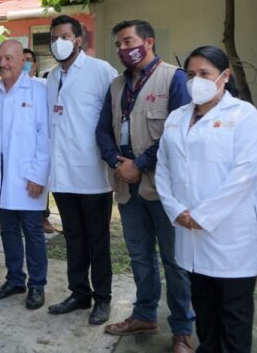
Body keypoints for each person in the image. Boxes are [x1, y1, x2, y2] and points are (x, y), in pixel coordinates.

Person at [156, 45, 257, 353]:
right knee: (204, 314)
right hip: (190, 234)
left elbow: (243, 176)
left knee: (233, 316)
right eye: (191, 75)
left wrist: (202, 216)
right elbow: (164, 168)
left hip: (231, 235)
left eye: (204, 74)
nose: (196, 80)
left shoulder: (244, 116)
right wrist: (176, 210)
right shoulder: (177, 117)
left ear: (224, 76)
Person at [96, 20, 194, 352]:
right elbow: (103, 131)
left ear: (149, 41)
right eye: (119, 44)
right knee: (139, 256)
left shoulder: (173, 79)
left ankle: (182, 330)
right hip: (126, 185)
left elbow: (177, 132)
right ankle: (144, 313)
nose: (124, 49)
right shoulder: (116, 86)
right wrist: (117, 163)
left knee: (174, 260)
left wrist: (139, 164)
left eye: (129, 41)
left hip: (163, 187)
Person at [45, 15, 118, 325]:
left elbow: (115, 119)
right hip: (61, 175)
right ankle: (79, 292)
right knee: (73, 237)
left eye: (65, 36)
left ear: (79, 39)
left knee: (97, 238)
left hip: (92, 173)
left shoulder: (101, 71)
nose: (58, 42)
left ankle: (102, 298)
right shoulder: (50, 77)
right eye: (54, 37)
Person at [0, 40, 50, 309]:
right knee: (8, 229)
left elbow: (45, 136)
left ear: (22, 62)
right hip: (0, 177)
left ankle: (37, 284)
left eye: (9, 58)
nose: (3, 63)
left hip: (28, 176)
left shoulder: (37, 92)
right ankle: (15, 279)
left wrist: (38, 175)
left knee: (32, 231)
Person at [22, 48, 56, 234]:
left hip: (40, 143)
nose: (26, 62)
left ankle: (44, 217)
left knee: (42, 181)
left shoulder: (44, 85)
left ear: (35, 65)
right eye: (23, 59)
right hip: (21, 145)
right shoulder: (10, 87)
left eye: (29, 59)